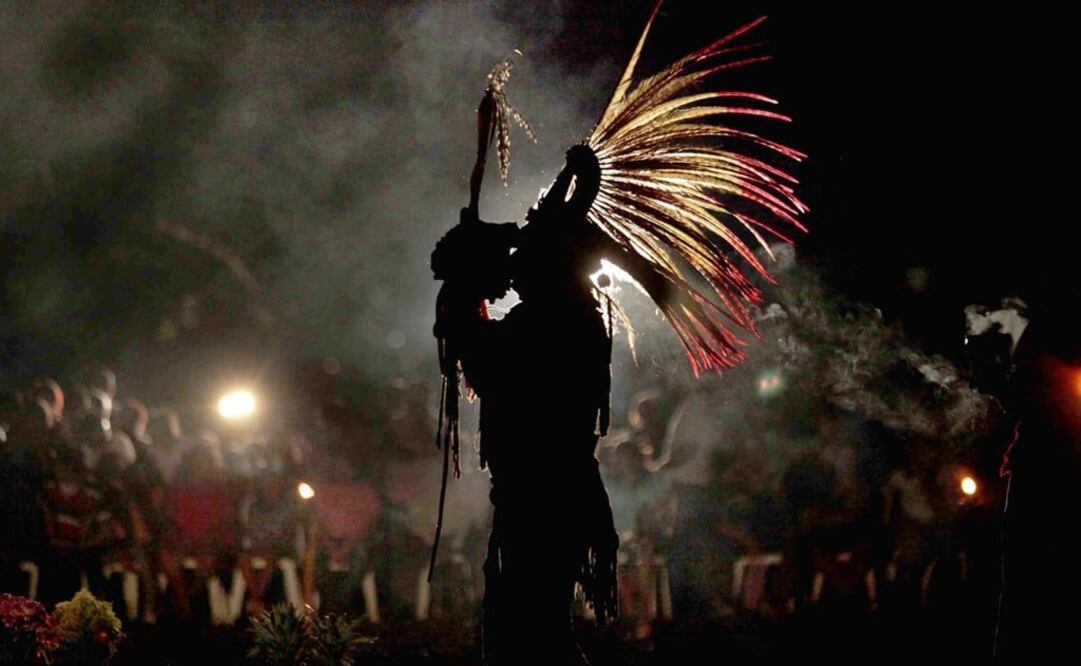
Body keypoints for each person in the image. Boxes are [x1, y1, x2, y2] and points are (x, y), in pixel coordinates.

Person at [432, 145, 622, 664]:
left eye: (524, 258)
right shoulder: (560, 314)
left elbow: (490, 368)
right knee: (531, 627)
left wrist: (467, 290)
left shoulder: (553, 323)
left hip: (546, 496)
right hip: (544, 495)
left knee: (531, 631)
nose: (514, 270)